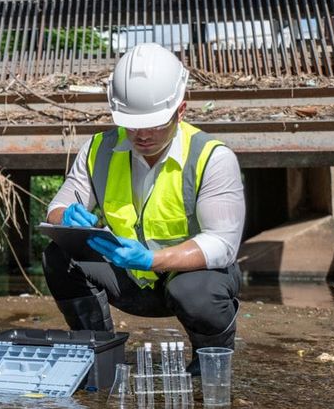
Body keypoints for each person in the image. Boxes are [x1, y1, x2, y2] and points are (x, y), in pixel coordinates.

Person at [43, 42, 244, 375]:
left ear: (180, 111)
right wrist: (65, 216)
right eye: (133, 123)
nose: (142, 134)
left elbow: (222, 245)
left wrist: (153, 259)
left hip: (185, 280)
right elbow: (59, 205)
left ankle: (211, 361)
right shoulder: (99, 149)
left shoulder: (212, 157)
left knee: (196, 290)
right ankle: (97, 350)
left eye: (154, 123)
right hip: (128, 279)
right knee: (57, 255)